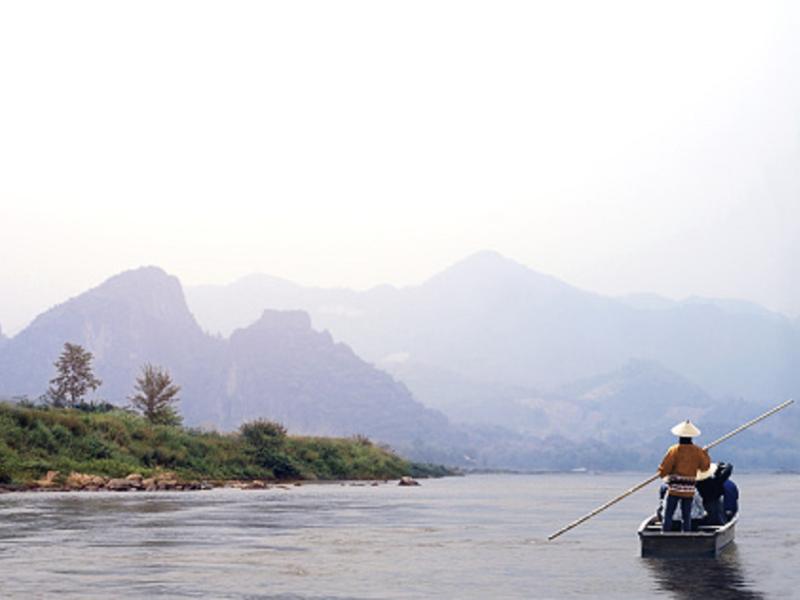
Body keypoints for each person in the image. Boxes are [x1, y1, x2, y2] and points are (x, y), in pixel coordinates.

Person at [657, 419, 711, 532]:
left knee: (668, 514)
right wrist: (705, 454)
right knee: (686, 515)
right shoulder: (697, 451)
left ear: (679, 436)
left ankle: (665, 534)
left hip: (674, 489)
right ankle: (686, 534)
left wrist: (661, 472)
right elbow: (704, 467)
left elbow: (665, 469)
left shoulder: (674, 450)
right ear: (691, 437)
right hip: (689, 489)